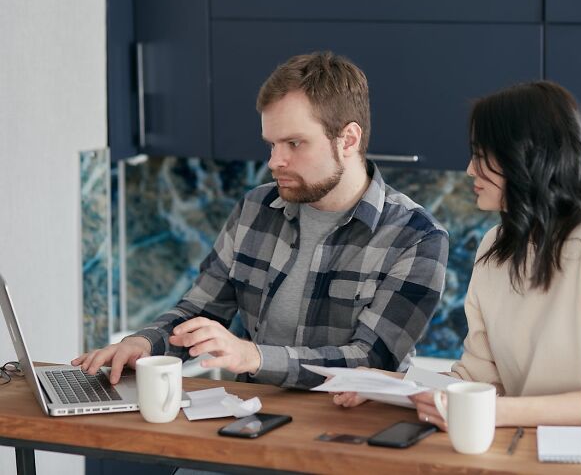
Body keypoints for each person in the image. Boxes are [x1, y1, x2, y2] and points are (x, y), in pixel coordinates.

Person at [72, 51, 449, 389]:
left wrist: (253, 357)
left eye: (294, 144)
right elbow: (200, 310)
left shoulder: (416, 237)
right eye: (271, 144)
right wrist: (142, 343)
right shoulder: (256, 208)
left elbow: (371, 361)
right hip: (253, 417)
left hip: (346, 432)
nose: (274, 161)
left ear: (348, 140)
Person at [334, 80, 581, 428]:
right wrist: (387, 385)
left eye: (481, 155)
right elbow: (479, 380)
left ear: (526, 156)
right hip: (523, 452)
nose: (469, 170)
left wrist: (494, 413)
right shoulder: (495, 246)